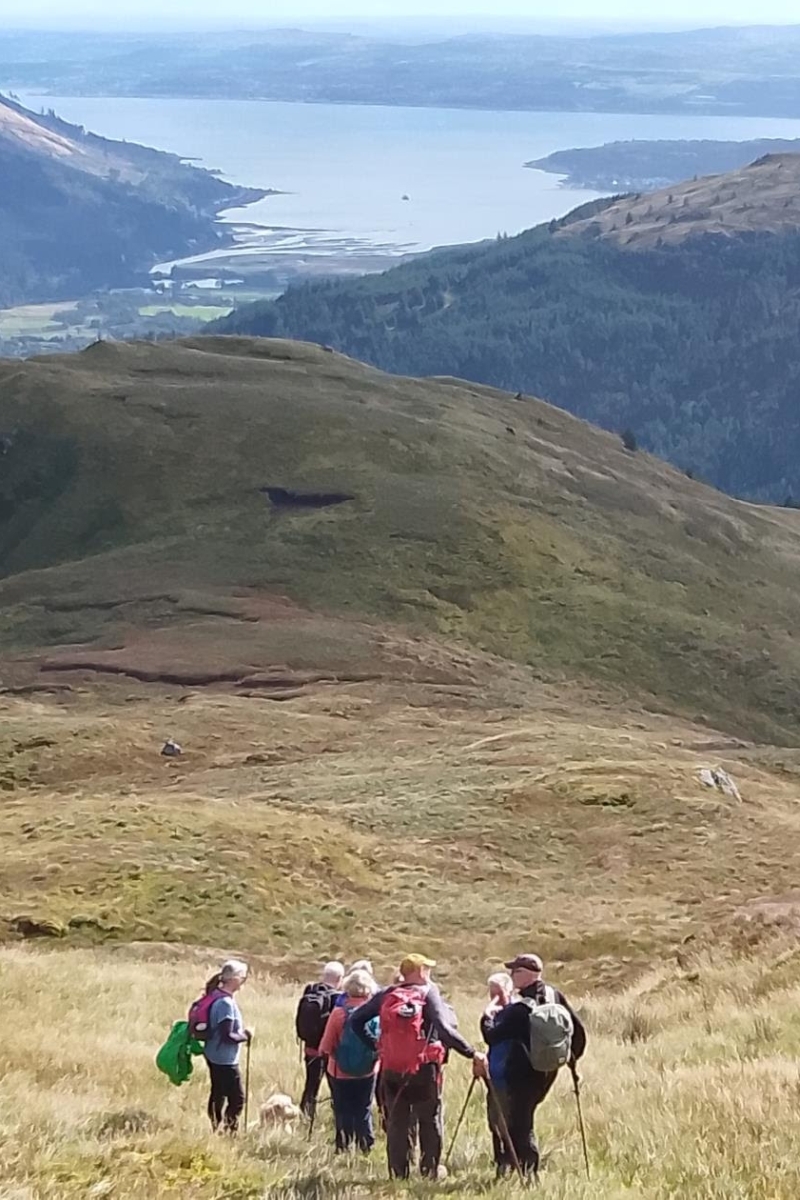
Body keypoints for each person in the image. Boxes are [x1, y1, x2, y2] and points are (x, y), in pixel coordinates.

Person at [349, 952, 487, 1180]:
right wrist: (471, 1053)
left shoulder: (387, 994)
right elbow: (444, 1028)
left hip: (392, 1068)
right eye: (427, 968)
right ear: (420, 971)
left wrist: (377, 1046)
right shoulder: (428, 993)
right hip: (424, 1069)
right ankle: (429, 1171)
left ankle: (398, 1174)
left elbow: (356, 1020)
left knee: (396, 1121)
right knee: (430, 1119)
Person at [481, 953, 586, 1178]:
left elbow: (491, 1035)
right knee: (524, 1117)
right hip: (548, 1071)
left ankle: (528, 1174)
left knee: (520, 1124)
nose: (511, 975)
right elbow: (577, 1032)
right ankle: (519, 1170)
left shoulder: (520, 1009)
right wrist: (571, 1062)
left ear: (527, 974)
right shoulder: (554, 995)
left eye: (515, 971)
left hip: (521, 1074)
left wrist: (487, 1014)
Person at [318, 968, 379, 1153]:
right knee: (364, 1108)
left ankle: (343, 1145)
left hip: (339, 1071)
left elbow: (325, 1047)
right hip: (368, 1071)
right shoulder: (375, 1014)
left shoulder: (338, 1014)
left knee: (342, 1110)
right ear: (368, 989)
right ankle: (366, 1146)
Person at [202, 959, 252, 1134]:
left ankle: (216, 1127)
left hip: (212, 1053)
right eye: (243, 977)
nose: (244, 980)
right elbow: (227, 1035)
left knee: (218, 1092)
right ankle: (229, 1130)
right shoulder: (225, 1003)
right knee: (237, 1098)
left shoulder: (216, 995)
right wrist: (245, 1035)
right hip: (224, 1058)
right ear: (234, 979)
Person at [296, 960, 345, 1118]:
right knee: (336, 1089)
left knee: (311, 1086)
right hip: (329, 1052)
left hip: (310, 1049)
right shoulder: (337, 998)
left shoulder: (310, 991)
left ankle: (306, 1117)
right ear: (339, 978)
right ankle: (339, 1119)